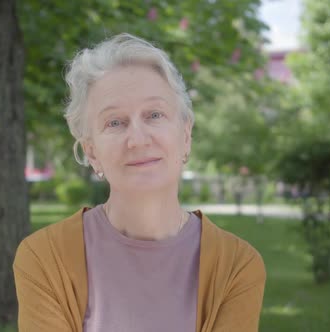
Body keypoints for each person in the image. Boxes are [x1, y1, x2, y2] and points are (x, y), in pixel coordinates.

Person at [13, 33, 266, 332]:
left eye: (154, 115)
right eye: (115, 122)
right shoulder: (44, 258)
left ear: (185, 136)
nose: (137, 139)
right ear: (92, 151)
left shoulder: (237, 266)